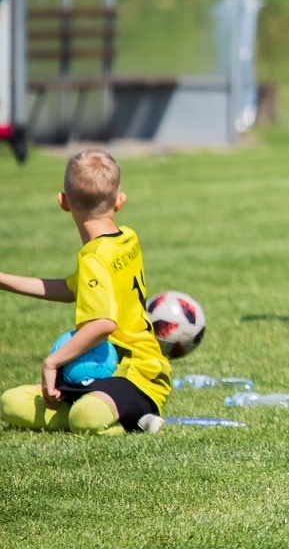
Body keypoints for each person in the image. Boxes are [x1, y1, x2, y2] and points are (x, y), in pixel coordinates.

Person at [0, 149, 171, 436]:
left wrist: (53, 362)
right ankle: (94, 415)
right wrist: (4, 280)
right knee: (11, 402)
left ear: (63, 202)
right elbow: (71, 289)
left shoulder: (94, 258)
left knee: (85, 416)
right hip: (101, 371)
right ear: (119, 201)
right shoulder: (127, 238)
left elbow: (103, 324)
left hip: (137, 374)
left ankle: (133, 421)